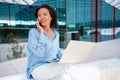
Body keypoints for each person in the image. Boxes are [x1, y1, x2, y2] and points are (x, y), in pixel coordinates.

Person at [26, 4, 69, 80]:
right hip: (37, 68)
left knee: (66, 72)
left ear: (51, 17)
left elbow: (57, 52)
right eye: (39, 15)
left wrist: (66, 56)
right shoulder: (33, 32)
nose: (42, 17)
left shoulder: (56, 34)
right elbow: (40, 53)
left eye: (45, 14)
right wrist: (42, 33)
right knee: (66, 68)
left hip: (51, 65)